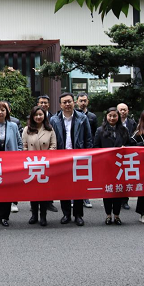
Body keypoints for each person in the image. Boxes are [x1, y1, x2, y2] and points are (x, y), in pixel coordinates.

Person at [50, 92, 93, 226]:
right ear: (60, 105)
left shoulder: (82, 118)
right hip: (61, 158)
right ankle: (66, 214)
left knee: (79, 187)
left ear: (74, 102)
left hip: (78, 157)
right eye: (64, 102)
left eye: (69, 101)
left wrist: (88, 154)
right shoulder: (54, 120)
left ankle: (78, 215)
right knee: (64, 188)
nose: (67, 104)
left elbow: (88, 138)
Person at [93, 107, 130, 225]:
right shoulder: (100, 130)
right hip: (106, 165)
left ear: (118, 117)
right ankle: (108, 215)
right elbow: (95, 147)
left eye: (115, 116)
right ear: (106, 117)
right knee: (108, 191)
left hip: (120, 165)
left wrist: (126, 148)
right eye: (110, 116)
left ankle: (117, 215)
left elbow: (130, 144)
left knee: (118, 191)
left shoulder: (124, 130)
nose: (112, 118)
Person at [22, 106, 57, 226]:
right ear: (32, 116)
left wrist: (46, 157)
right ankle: (34, 215)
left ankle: (43, 216)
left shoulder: (50, 129)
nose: (38, 117)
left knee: (44, 193)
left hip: (45, 165)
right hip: (31, 165)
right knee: (33, 193)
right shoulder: (27, 129)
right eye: (36, 115)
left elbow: (53, 146)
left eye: (40, 115)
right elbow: (24, 146)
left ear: (44, 116)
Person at [37, 95, 58, 212]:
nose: (43, 105)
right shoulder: (32, 118)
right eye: (41, 103)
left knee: (49, 181)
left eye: (45, 103)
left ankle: (49, 203)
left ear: (49, 105)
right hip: (34, 158)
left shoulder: (54, 119)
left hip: (49, 156)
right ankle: (36, 206)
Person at [76, 92, 97, 209]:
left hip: (86, 150)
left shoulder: (92, 117)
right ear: (77, 102)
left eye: (85, 100)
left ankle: (86, 197)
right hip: (76, 150)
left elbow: (93, 134)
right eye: (81, 100)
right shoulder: (74, 115)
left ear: (87, 102)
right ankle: (74, 197)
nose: (83, 103)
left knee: (85, 175)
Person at [116, 102, 136, 210]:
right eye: (121, 110)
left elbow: (134, 137)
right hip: (115, 154)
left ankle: (125, 201)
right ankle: (117, 200)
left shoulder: (132, 123)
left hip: (128, 153)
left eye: (125, 110)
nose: (123, 112)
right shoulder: (114, 122)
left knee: (126, 178)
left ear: (128, 111)